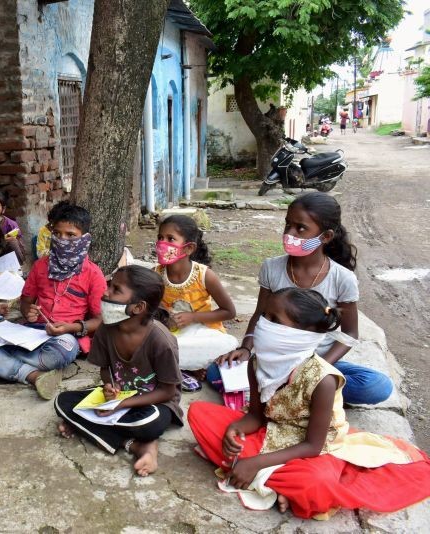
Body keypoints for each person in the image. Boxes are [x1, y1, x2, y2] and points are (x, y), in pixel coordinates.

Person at [188, 288, 430, 519]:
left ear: (302, 334)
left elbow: (314, 446)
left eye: (275, 320)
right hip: (272, 431)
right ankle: (268, 480)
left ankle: (258, 474)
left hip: (315, 450)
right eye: (264, 316)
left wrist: (256, 462)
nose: (263, 323)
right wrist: (235, 430)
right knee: (199, 413)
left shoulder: (322, 379)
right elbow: (255, 417)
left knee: (315, 484)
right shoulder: (257, 363)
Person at [208, 192, 393, 405]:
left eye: (301, 228)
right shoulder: (272, 268)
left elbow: (350, 334)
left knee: (377, 386)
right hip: (271, 359)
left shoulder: (342, 278)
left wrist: (312, 372)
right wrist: (245, 348)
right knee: (216, 372)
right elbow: (259, 315)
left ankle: (299, 392)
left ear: (326, 236)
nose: (290, 233)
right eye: (288, 225)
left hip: (315, 361)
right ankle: (305, 396)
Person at [55, 266, 183, 476]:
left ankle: (88, 427)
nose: (105, 292)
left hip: (154, 404)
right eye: (109, 285)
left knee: (148, 425)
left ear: (138, 307)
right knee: (63, 402)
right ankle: (138, 446)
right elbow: (106, 369)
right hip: (119, 399)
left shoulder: (161, 340)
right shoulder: (106, 328)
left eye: (116, 289)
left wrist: (120, 404)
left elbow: (168, 392)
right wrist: (110, 387)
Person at [0, 203, 106, 399]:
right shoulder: (41, 266)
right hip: (31, 332)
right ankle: (34, 375)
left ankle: (4, 364)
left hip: (65, 338)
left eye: (70, 235)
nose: (62, 240)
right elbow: (26, 302)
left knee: (60, 354)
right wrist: (28, 311)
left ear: (84, 239)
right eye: (57, 234)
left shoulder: (93, 274)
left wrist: (70, 328)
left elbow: (100, 320)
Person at [153, 215, 236, 391]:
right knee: (154, 343)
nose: (162, 243)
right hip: (172, 333)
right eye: (160, 238)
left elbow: (229, 312)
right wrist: (165, 318)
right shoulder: (155, 274)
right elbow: (153, 308)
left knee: (227, 344)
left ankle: (180, 368)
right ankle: (189, 368)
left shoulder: (204, 275)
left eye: (170, 239)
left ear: (188, 248)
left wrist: (193, 317)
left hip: (202, 332)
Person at [0, 187, 25, 265]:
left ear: (3, 209)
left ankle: (17, 271)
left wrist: (10, 241)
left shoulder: (11, 224)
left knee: (13, 242)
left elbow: (21, 250)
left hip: (3, 257)